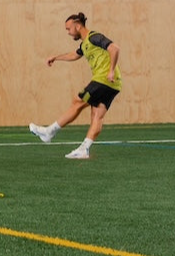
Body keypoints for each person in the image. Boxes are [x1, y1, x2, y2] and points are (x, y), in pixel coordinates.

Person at [27, 12, 122, 160]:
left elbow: (114, 48)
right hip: (114, 84)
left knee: (78, 101)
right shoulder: (85, 44)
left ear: (77, 26)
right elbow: (75, 54)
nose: (68, 33)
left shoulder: (93, 37)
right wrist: (56, 58)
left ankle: (49, 132)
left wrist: (110, 71)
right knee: (97, 115)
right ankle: (84, 149)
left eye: (68, 29)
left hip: (104, 79)